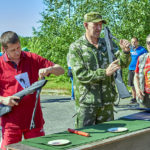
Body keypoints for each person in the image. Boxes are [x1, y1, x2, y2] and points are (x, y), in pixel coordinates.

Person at [0, 31, 64, 150]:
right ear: (4, 50)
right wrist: (4, 100)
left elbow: (61, 70)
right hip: (11, 123)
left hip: (34, 121)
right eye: (13, 50)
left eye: (18, 47)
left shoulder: (32, 58)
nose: (17, 52)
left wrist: (49, 69)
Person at [67, 12, 131, 128]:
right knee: (85, 141)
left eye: (100, 25)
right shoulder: (76, 47)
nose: (99, 28)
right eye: (95, 25)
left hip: (107, 102)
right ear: (85, 25)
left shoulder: (107, 44)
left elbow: (122, 64)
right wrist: (105, 73)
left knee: (108, 140)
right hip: (87, 104)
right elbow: (81, 74)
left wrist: (125, 52)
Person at [128, 37, 147, 104]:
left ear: (137, 42)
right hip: (131, 68)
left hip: (139, 69)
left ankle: (141, 97)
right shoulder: (130, 49)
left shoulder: (142, 49)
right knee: (132, 85)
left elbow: (147, 57)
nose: (133, 43)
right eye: (132, 42)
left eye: (134, 42)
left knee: (140, 83)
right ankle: (134, 97)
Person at [134, 34, 150, 108]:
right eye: (148, 43)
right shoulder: (141, 58)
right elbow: (136, 76)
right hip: (145, 97)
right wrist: (137, 89)